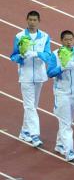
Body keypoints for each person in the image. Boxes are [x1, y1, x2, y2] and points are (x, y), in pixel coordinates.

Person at [43, 30, 74, 161]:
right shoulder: (55, 55)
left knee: (68, 121)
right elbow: (50, 72)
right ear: (61, 41)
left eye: (71, 39)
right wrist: (62, 68)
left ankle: (60, 144)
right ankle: (69, 151)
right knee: (66, 123)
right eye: (66, 40)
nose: (69, 42)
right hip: (62, 93)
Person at [12, 11, 51, 147]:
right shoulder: (19, 36)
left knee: (33, 106)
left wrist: (36, 54)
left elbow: (48, 55)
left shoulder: (45, 37)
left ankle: (24, 131)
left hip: (39, 75)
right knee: (29, 106)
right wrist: (21, 56)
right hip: (26, 76)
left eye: (34, 20)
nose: (32, 22)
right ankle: (34, 135)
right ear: (27, 20)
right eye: (30, 19)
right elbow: (13, 56)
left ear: (38, 21)